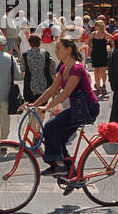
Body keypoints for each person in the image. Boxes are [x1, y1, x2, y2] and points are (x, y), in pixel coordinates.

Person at [21, 37, 99, 177]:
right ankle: (71, 172)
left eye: (58, 48)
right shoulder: (64, 68)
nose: (55, 51)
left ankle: (60, 165)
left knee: (50, 126)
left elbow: (65, 93)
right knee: (59, 138)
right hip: (78, 108)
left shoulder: (77, 68)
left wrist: (47, 107)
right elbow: (51, 89)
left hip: (87, 108)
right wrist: (36, 104)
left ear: (68, 50)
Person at [20, 33, 56, 137]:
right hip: (44, 84)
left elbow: (22, 70)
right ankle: (38, 130)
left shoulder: (25, 55)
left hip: (30, 85)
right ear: (40, 43)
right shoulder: (46, 54)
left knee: (32, 109)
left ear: (29, 43)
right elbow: (52, 70)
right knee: (42, 109)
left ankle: (33, 130)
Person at [87, 19, 114, 97]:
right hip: (95, 54)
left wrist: (112, 48)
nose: (95, 27)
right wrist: (88, 49)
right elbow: (88, 41)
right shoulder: (93, 34)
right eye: (95, 26)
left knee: (103, 71)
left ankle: (104, 85)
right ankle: (98, 88)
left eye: (97, 26)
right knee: (96, 71)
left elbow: (113, 39)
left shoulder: (106, 34)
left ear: (100, 26)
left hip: (103, 54)